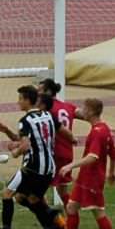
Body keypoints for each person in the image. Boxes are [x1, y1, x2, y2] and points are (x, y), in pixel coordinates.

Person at [0, 84, 65, 229]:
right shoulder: (48, 116)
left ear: (27, 100)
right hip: (49, 168)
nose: (18, 102)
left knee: (7, 194)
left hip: (31, 168)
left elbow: (25, 145)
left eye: (20, 98)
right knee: (29, 199)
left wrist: (15, 152)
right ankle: (55, 227)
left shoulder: (25, 120)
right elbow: (61, 133)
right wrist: (7, 132)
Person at [55, 97, 115, 229]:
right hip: (86, 177)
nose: (81, 111)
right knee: (71, 207)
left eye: (84, 108)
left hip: (92, 179)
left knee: (98, 211)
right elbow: (114, 154)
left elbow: (93, 157)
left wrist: (71, 166)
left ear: (91, 111)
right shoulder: (104, 128)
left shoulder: (98, 133)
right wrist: (111, 172)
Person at [40, 77, 78, 211]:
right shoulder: (69, 107)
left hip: (53, 153)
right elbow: (89, 116)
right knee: (63, 191)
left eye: (41, 92)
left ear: (49, 91)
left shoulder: (46, 109)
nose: (38, 95)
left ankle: (51, 225)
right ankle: (73, 226)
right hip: (67, 153)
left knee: (38, 190)